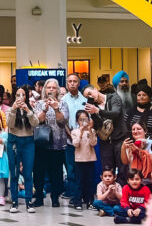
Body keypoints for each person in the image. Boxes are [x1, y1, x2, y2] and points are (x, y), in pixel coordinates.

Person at [31, 79, 67, 209]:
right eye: (48, 87)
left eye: (53, 87)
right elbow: (37, 121)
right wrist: (45, 110)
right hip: (41, 143)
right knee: (39, 172)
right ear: (44, 90)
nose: (51, 90)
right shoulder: (39, 104)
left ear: (57, 90)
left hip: (57, 143)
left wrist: (56, 109)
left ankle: (55, 198)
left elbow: (62, 122)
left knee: (56, 172)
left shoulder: (63, 104)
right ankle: (39, 197)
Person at [59, 74, 93, 208]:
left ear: (79, 84)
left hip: (84, 141)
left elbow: (90, 119)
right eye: (70, 81)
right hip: (69, 139)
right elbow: (63, 121)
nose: (72, 83)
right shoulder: (63, 100)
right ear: (67, 84)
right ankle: (75, 196)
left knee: (84, 170)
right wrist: (71, 136)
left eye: (75, 81)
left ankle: (85, 196)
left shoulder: (85, 100)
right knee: (71, 169)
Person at [5, 87, 37, 212]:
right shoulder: (10, 109)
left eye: (23, 95)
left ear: (26, 97)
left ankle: (29, 202)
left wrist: (27, 110)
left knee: (28, 173)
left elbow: (35, 123)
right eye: (18, 95)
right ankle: (14, 202)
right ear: (14, 96)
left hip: (28, 141)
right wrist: (14, 109)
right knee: (14, 173)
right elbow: (10, 124)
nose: (20, 97)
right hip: (14, 141)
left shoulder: (30, 108)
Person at [69, 109, 97, 209]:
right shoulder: (75, 131)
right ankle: (77, 202)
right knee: (79, 182)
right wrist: (81, 132)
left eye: (85, 119)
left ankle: (90, 201)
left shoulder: (92, 131)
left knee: (89, 181)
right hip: (79, 160)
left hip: (90, 159)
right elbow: (75, 144)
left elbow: (93, 143)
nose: (83, 121)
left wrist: (90, 131)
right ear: (77, 121)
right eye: (81, 119)